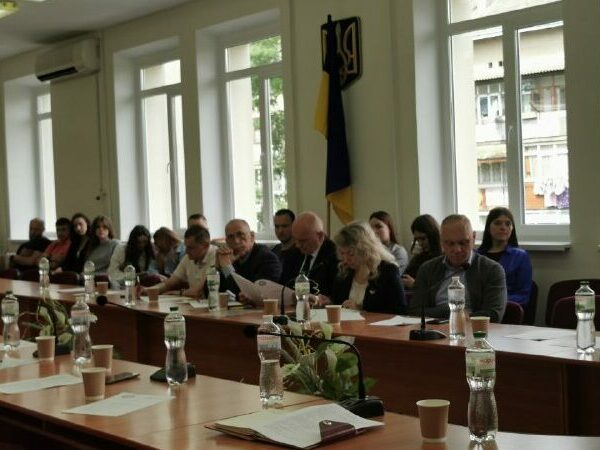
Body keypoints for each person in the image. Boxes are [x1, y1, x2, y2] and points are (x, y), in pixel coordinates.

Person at [408, 214, 507, 322]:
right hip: (434, 328)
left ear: (473, 238)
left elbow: (494, 314)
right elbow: (415, 311)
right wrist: (452, 311)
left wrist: (461, 319)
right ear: (441, 242)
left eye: (463, 243)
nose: (457, 250)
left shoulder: (492, 270)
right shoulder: (427, 269)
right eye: (450, 244)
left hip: (474, 329)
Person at [331, 222, 406, 314]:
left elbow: (400, 311)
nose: (345, 259)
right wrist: (328, 302)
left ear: (365, 250)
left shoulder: (388, 271)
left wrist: (362, 311)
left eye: (351, 254)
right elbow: (337, 303)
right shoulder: (344, 271)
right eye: (342, 253)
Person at [478, 207, 533, 306]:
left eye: (508, 224)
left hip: (507, 308)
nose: (503, 227)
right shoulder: (477, 256)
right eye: (497, 223)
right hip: (477, 308)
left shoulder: (521, 256)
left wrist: (497, 301)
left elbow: (523, 295)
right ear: (488, 228)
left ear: (512, 229)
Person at [281, 212, 339, 302]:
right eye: (295, 239)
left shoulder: (335, 256)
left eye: (303, 241)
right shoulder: (293, 253)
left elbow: (335, 296)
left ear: (320, 236)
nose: (298, 245)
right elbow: (283, 285)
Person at [216, 219, 282, 299]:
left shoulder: (267, 259)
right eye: (231, 237)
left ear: (252, 237)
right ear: (227, 241)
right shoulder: (230, 257)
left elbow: (245, 294)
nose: (236, 241)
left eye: (241, 235)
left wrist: (227, 267)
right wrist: (217, 268)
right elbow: (210, 292)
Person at [146, 225, 216, 298]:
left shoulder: (216, 257)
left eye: (191, 248)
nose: (187, 251)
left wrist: (178, 293)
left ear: (206, 246)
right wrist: (147, 290)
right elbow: (169, 283)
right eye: (186, 247)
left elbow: (198, 291)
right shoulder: (188, 257)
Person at [402, 214, 442, 289]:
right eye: (417, 239)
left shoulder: (444, 258)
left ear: (433, 235)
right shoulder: (419, 257)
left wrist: (415, 285)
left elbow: (439, 289)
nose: (420, 243)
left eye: (423, 239)